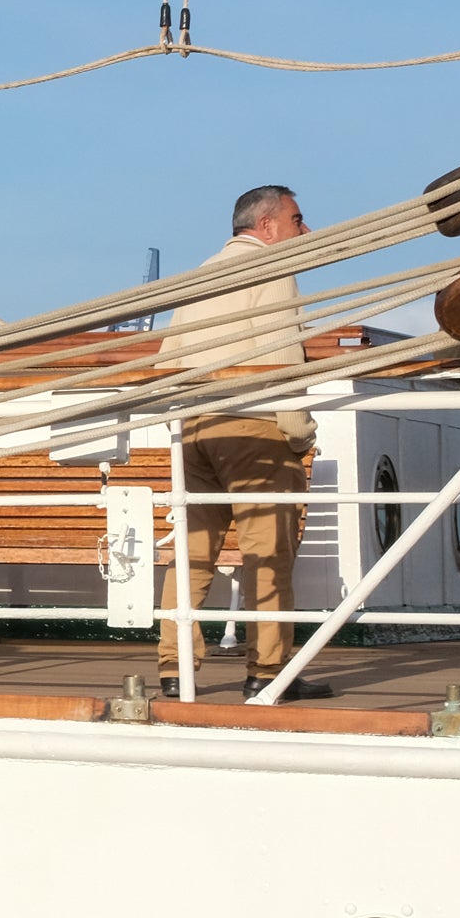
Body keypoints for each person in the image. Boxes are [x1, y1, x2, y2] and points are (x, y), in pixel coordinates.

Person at [154, 184, 330, 701]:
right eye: (298, 219)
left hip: (195, 430)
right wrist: (299, 433)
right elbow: (281, 358)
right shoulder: (274, 270)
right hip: (253, 429)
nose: (306, 231)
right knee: (267, 556)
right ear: (268, 226)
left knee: (191, 557)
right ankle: (268, 671)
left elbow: (168, 361)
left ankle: (174, 667)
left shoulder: (200, 274)